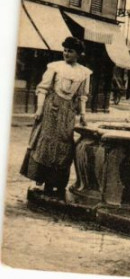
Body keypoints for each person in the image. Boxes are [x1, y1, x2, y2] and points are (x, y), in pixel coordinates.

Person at [20, 37, 91, 200]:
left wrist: (83, 116)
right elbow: (42, 89)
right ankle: (42, 181)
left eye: (70, 51)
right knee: (46, 143)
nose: (66, 53)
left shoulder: (84, 73)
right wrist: (39, 109)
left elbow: (81, 97)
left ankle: (56, 183)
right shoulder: (55, 68)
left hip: (68, 113)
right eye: (65, 50)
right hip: (51, 109)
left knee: (64, 146)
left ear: (78, 54)